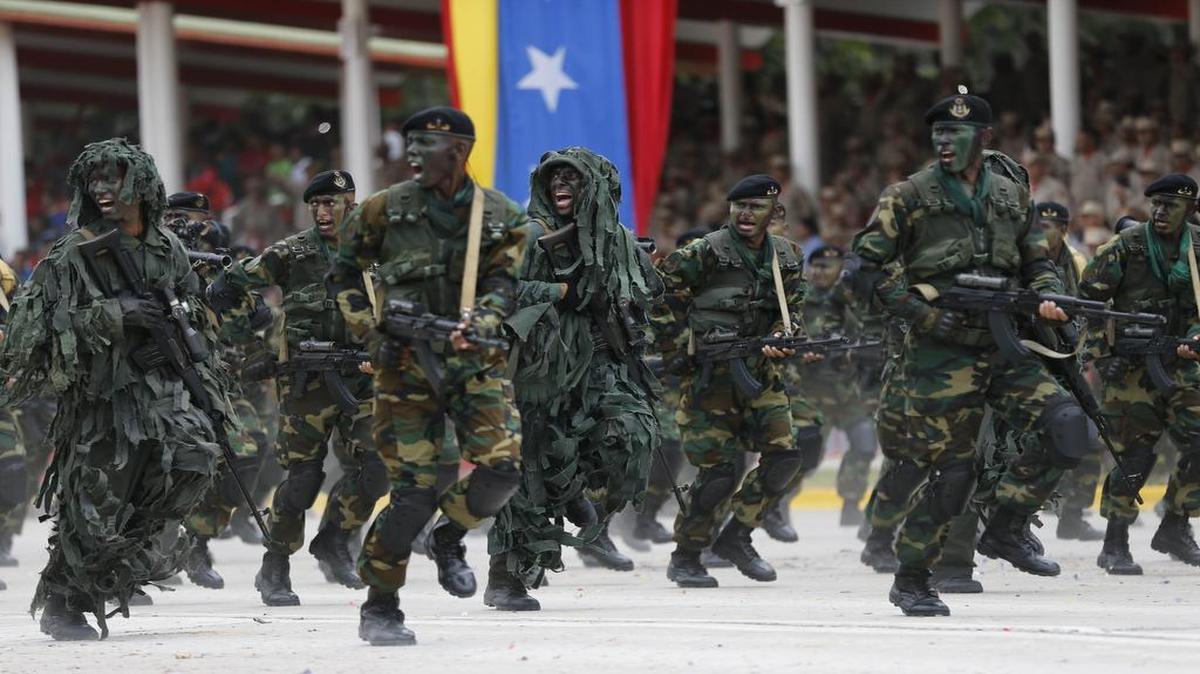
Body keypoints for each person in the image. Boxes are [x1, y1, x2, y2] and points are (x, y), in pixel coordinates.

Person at [849, 90, 1086, 617]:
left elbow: (1036, 264)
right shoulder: (908, 196)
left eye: (957, 133)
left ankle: (1006, 525)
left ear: (985, 138)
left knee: (1068, 426)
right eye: (938, 133)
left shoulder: (1011, 196)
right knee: (953, 475)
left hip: (1001, 347)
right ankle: (913, 578)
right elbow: (862, 270)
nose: (945, 142)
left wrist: (1048, 296)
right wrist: (923, 314)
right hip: (938, 359)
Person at [0, 138, 230, 639]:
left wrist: (178, 336)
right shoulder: (74, 252)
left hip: (162, 387)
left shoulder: (167, 248)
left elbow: (195, 309)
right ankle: (64, 602)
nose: (102, 188)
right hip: (102, 397)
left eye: (114, 177)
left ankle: (121, 563)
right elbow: (33, 329)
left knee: (194, 458)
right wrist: (115, 315)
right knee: (96, 500)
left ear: (141, 184)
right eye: (94, 179)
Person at [326, 106, 528, 646]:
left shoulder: (500, 214)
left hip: (472, 363)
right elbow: (343, 273)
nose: (412, 153)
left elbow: (505, 284)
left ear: (459, 151)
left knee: (503, 470)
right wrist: (370, 331)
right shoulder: (383, 209)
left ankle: (449, 534)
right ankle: (381, 605)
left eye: (426, 144)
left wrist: (483, 320)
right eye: (410, 142)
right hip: (404, 367)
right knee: (412, 495)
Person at [485, 146, 661, 610]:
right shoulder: (531, 235)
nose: (561, 184)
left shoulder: (618, 242)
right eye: (554, 177)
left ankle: (580, 505)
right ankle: (506, 577)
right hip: (542, 369)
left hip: (603, 368)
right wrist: (560, 290)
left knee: (633, 436)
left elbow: (642, 300)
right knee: (532, 470)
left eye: (573, 177)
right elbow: (494, 290)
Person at [209, 170, 387, 604]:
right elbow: (226, 288)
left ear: (351, 203)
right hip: (306, 383)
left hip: (362, 377)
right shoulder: (292, 253)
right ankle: (275, 564)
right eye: (316, 205)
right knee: (303, 479)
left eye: (331, 203)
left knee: (376, 468)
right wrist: (253, 345)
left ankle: (335, 538)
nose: (322, 212)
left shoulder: (374, 250)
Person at [656, 174, 809, 589]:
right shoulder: (704, 252)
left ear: (773, 212)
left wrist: (782, 336)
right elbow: (659, 296)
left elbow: (793, 309)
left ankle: (737, 536)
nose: (745, 214)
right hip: (710, 379)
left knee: (784, 458)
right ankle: (686, 555)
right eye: (739, 206)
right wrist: (676, 351)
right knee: (718, 474)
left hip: (760, 374)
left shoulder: (788, 256)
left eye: (756, 207)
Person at [1079, 173, 1200, 574]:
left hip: (1182, 364)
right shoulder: (1125, 247)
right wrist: (1101, 354)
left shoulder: (1198, 248)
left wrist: (1194, 337)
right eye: (1156, 204)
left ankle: (1175, 524)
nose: (1161, 212)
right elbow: (1086, 303)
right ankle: (1115, 542)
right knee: (1134, 454)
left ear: (1191, 209)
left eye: (1171, 205)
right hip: (1131, 366)